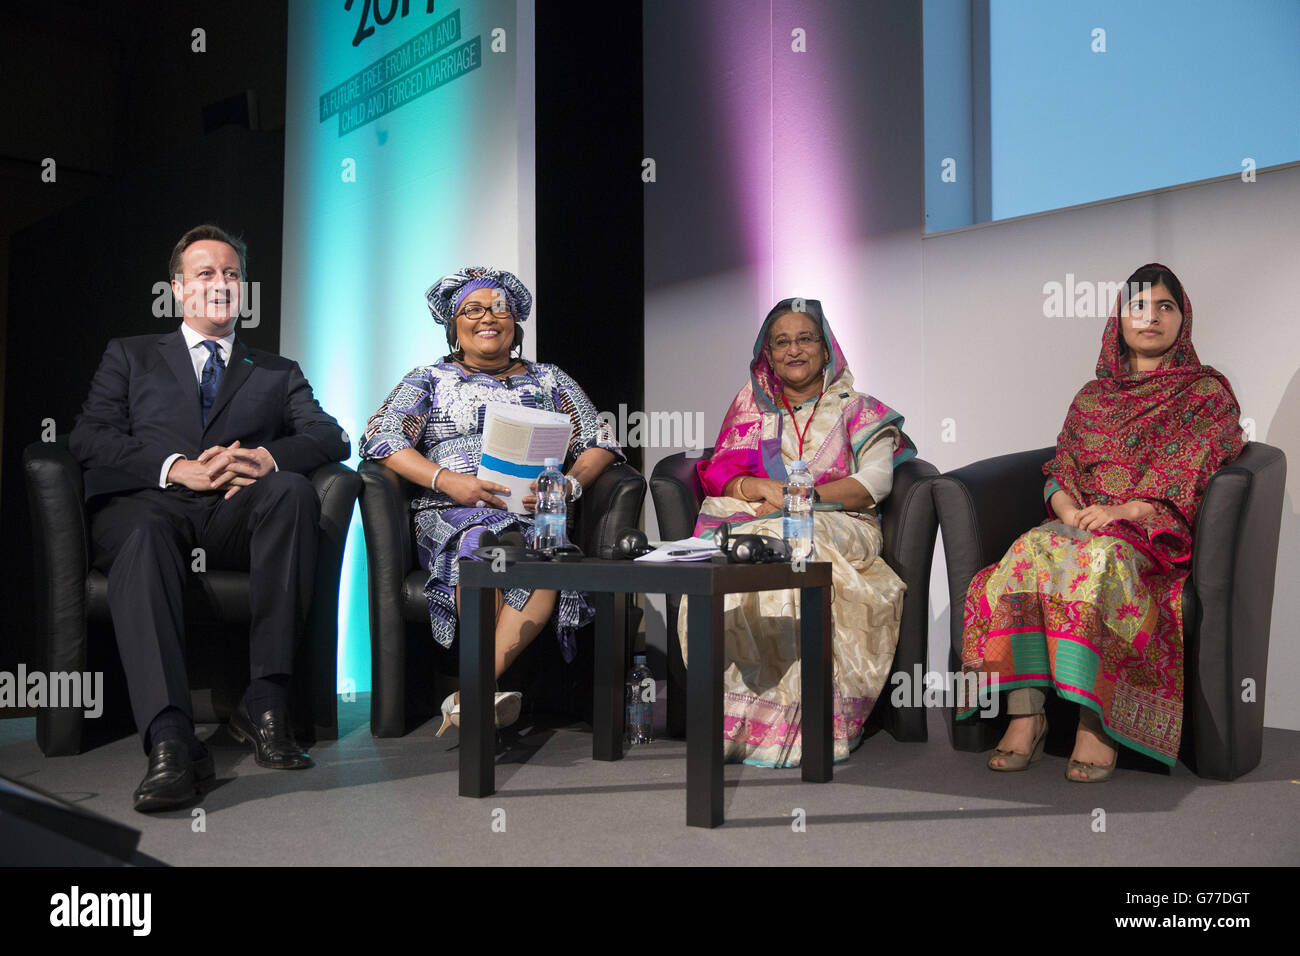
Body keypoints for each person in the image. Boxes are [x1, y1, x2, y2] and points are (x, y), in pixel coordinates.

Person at [68, 224, 350, 812]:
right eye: (206, 274)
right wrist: (175, 467)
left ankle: (266, 700)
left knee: (294, 492)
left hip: (230, 519)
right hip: (150, 509)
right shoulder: (130, 354)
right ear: (176, 289)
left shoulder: (276, 369)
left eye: (231, 274)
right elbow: (89, 438)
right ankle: (170, 740)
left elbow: (331, 435)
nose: (221, 284)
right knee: (143, 535)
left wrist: (265, 458)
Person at [957, 263, 1244, 781]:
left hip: (1145, 532)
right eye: (1139, 306)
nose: (1151, 317)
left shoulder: (1204, 395)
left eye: (1165, 306)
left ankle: (1096, 723)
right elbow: (1059, 468)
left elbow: (1200, 473)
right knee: (1024, 554)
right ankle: (1026, 716)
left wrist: (1126, 510)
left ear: (1184, 318)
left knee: (1098, 561)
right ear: (1120, 318)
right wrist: (1068, 510)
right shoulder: (1093, 397)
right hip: (1081, 524)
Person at [358, 266, 621, 735]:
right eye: (472, 310)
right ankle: (482, 694)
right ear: (453, 325)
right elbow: (380, 435)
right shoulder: (429, 379)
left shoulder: (550, 379)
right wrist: (445, 479)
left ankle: (472, 693)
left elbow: (601, 440)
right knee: (479, 540)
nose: (487, 318)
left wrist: (571, 485)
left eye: (500, 308)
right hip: (453, 511)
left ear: (515, 322)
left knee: (544, 554)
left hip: (535, 514)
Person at [680, 298, 916, 767]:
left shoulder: (861, 410)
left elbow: (874, 484)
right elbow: (721, 471)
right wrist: (756, 485)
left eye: (805, 338)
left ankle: (808, 723)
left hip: (841, 523)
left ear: (826, 349)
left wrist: (802, 500)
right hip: (758, 518)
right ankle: (741, 722)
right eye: (781, 342)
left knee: (788, 554)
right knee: (732, 559)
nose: (794, 350)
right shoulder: (753, 408)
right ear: (768, 353)